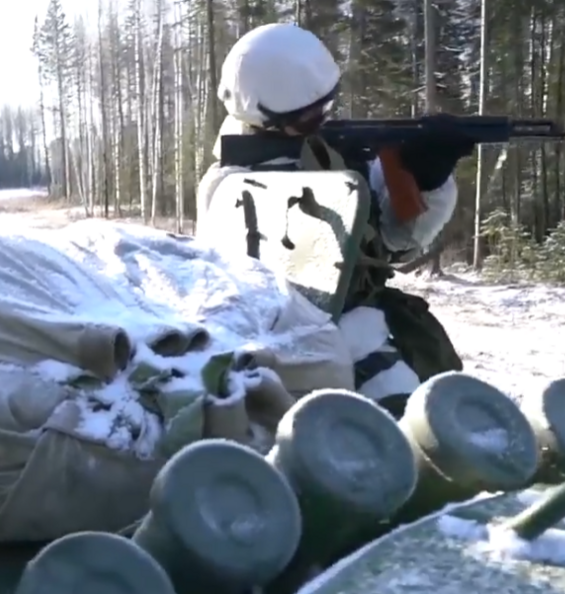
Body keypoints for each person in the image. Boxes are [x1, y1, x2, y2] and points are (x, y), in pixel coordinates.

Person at [199, 23, 471, 415]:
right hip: (308, 350)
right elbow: (383, 252)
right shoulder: (234, 188)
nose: (323, 123)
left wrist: (427, 180)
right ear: (266, 119)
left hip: (346, 332)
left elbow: (395, 236)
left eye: (327, 108)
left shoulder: (321, 159)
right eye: (310, 118)